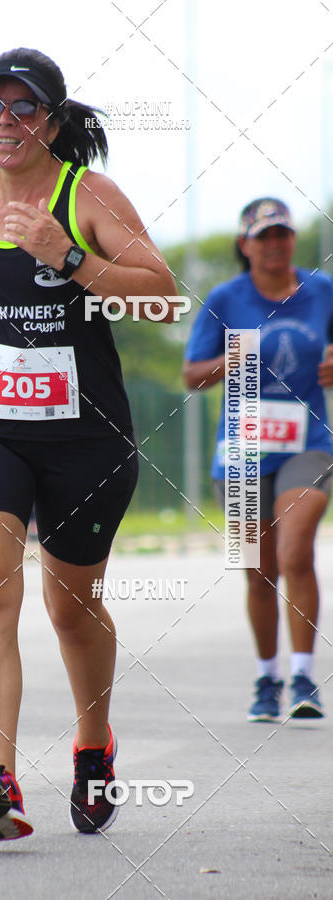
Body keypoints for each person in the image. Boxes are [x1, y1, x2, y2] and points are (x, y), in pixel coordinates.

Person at [0, 46, 177, 840]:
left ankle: (92, 750)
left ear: (53, 122)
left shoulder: (86, 194)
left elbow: (163, 297)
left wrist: (66, 256)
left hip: (84, 441)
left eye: (23, 107)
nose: (5, 121)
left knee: (73, 610)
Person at [183, 197, 333, 723]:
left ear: (293, 240)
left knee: (295, 551)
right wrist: (231, 359)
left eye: (282, 234)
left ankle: (302, 675)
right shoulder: (227, 299)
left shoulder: (323, 292)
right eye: (263, 236)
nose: (275, 244)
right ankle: (267, 677)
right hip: (244, 446)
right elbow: (191, 375)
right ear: (245, 246)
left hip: (307, 440)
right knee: (259, 569)